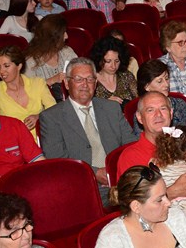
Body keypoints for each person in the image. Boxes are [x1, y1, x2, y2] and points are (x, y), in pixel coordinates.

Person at [39, 58, 135, 192]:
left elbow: (130, 144)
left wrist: (118, 170)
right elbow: (58, 161)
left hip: (121, 177)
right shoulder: (52, 117)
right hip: (82, 185)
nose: (85, 84)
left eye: (90, 79)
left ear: (95, 83)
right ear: (67, 83)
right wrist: (94, 173)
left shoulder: (111, 108)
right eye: (78, 79)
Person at [0, 45, 54, 138]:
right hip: (14, 143)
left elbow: (54, 110)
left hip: (44, 138)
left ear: (19, 66)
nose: (1, 71)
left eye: (6, 66)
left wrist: (38, 117)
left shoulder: (37, 83)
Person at [23, 14, 78, 101]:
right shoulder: (30, 62)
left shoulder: (67, 52)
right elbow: (27, 92)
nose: (66, 36)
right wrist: (51, 80)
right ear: (52, 38)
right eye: (63, 33)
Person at [89, 36, 137, 106]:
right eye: (108, 61)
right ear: (99, 60)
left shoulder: (127, 76)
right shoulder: (91, 80)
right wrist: (105, 104)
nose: (113, 66)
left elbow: (139, 102)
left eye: (117, 61)